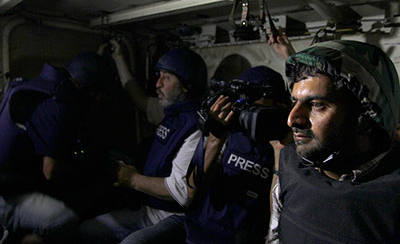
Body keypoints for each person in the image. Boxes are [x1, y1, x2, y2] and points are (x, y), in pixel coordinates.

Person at [267, 40, 400, 243]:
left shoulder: (392, 194)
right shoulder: (290, 162)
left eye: (317, 105)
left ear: (365, 117)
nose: (292, 119)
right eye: (294, 102)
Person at [78, 40, 208, 243]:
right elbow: (136, 96)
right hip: (149, 209)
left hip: (176, 216)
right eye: (159, 77)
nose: (157, 84)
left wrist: (132, 179)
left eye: (166, 78)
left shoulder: (197, 128)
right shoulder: (170, 111)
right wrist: (119, 58)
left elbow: (181, 192)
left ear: (186, 87)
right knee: (85, 230)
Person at [0, 52, 116, 244]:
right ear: (87, 88)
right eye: (97, 92)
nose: (98, 99)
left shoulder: (29, 86)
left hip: (14, 180)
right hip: (8, 194)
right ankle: (24, 240)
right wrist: (90, 169)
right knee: (63, 220)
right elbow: (51, 171)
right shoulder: (56, 104)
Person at [184, 66, 292, 244]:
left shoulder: (286, 146)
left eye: (252, 99)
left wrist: (279, 149)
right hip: (202, 233)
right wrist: (215, 138)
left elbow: (278, 219)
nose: (245, 107)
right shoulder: (230, 132)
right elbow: (192, 191)